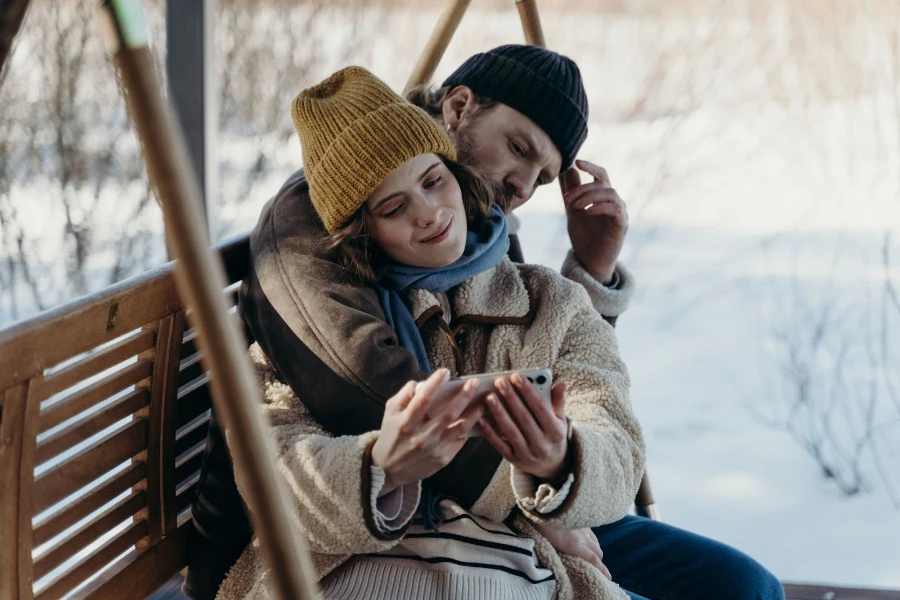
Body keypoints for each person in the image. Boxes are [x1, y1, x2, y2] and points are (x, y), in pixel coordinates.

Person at [186, 46, 784, 600]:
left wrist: (560, 462)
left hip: (521, 512)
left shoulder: (507, 259)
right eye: (520, 149)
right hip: (403, 533)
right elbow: (332, 408)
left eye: (544, 177)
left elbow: (590, 397)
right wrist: (408, 471)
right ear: (458, 108)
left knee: (747, 588)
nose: (524, 186)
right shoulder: (317, 232)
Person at [217, 65, 644, 600]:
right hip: (364, 570)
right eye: (393, 208)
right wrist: (378, 468)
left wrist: (560, 462)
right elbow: (272, 465)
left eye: (434, 182)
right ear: (362, 230)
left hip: (513, 563)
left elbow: (615, 438)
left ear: (456, 178)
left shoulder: (550, 303)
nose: (428, 213)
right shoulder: (332, 308)